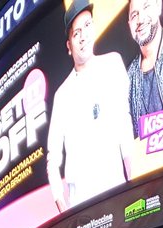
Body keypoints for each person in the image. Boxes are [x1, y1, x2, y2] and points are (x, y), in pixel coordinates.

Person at [46, 0, 133, 213]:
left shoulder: (112, 64)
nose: (83, 36)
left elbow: (125, 125)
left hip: (116, 191)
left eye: (87, 26)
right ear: (69, 46)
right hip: (80, 204)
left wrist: (134, 183)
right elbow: (53, 156)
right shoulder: (63, 94)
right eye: (76, 33)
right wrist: (60, 202)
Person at [125, 0, 163, 138]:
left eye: (146, 7)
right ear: (129, 24)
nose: (140, 19)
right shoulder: (128, 79)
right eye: (134, 15)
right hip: (152, 159)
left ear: (158, 6)